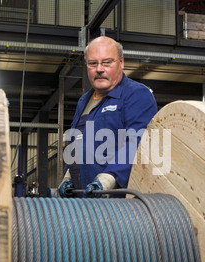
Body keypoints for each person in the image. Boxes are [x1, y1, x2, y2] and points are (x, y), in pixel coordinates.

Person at [58, 36, 158, 198]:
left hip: (116, 201)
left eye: (107, 62)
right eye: (93, 63)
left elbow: (137, 143)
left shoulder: (136, 95)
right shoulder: (84, 101)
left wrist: (108, 179)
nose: (99, 69)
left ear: (121, 63)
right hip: (83, 197)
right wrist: (68, 175)